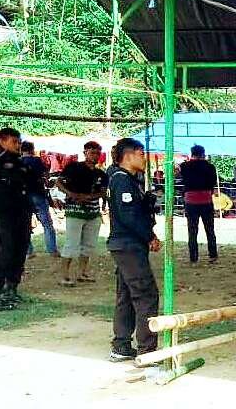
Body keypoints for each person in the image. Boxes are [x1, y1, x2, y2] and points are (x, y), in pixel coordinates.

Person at [107, 138, 161, 361]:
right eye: (141, 154)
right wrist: (149, 236)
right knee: (146, 294)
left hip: (127, 245)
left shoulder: (129, 180)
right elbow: (129, 216)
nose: (144, 158)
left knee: (127, 294)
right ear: (128, 156)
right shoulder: (121, 180)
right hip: (128, 245)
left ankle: (121, 345)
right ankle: (147, 350)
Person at [56, 141, 108, 286]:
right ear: (85, 153)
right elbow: (59, 183)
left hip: (93, 212)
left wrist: (88, 197)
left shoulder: (101, 174)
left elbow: (103, 192)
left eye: (97, 153)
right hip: (75, 211)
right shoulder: (73, 167)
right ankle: (64, 276)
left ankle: (82, 273)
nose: (95, 156)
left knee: (89, 245)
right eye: (92, 152)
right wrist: (71, 194)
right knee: (71, 244)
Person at [0, 128, 32, 311]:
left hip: (22, 215)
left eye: (19, 142)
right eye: (14, 141)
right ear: (2, 141)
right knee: (4, 253)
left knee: (19, 252)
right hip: (3, 217)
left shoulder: (21, 164)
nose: (18, 145)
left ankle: (11, 289)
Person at [178, 145, 218, 263]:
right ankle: (213, 254)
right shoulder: (210, 167)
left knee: (192, 230)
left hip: (191, 200)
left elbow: (182, 179)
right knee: (210, 229)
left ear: (192, 153)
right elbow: (213, 183)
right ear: (203, 154)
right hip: (206, 199)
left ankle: (193, 257)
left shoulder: (184, 166)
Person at [21, 141, 59, 257]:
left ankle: (28, 252)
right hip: (38, 195)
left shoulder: (18, 161)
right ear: (32, 150)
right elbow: (46, 176)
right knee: (47, 224)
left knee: (24, 225)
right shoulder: (36, 160)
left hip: (23, 197)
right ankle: (52, 250)